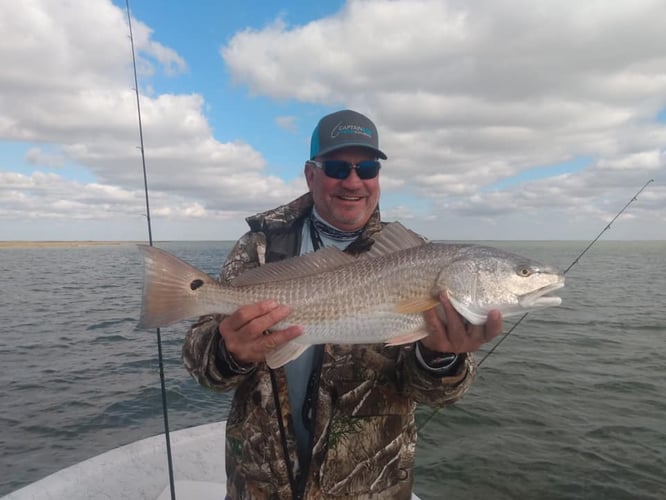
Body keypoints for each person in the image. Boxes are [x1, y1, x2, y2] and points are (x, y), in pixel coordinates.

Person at [182, 109, 503, 499]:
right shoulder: (260, 247)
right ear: (310, 174)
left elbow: (439, 396)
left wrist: (440, 358)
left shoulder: (416, 254)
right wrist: (228, 352)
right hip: (260, 484)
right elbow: (203, 370)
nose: (354, 181)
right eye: (337, 167)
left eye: (367, 168)